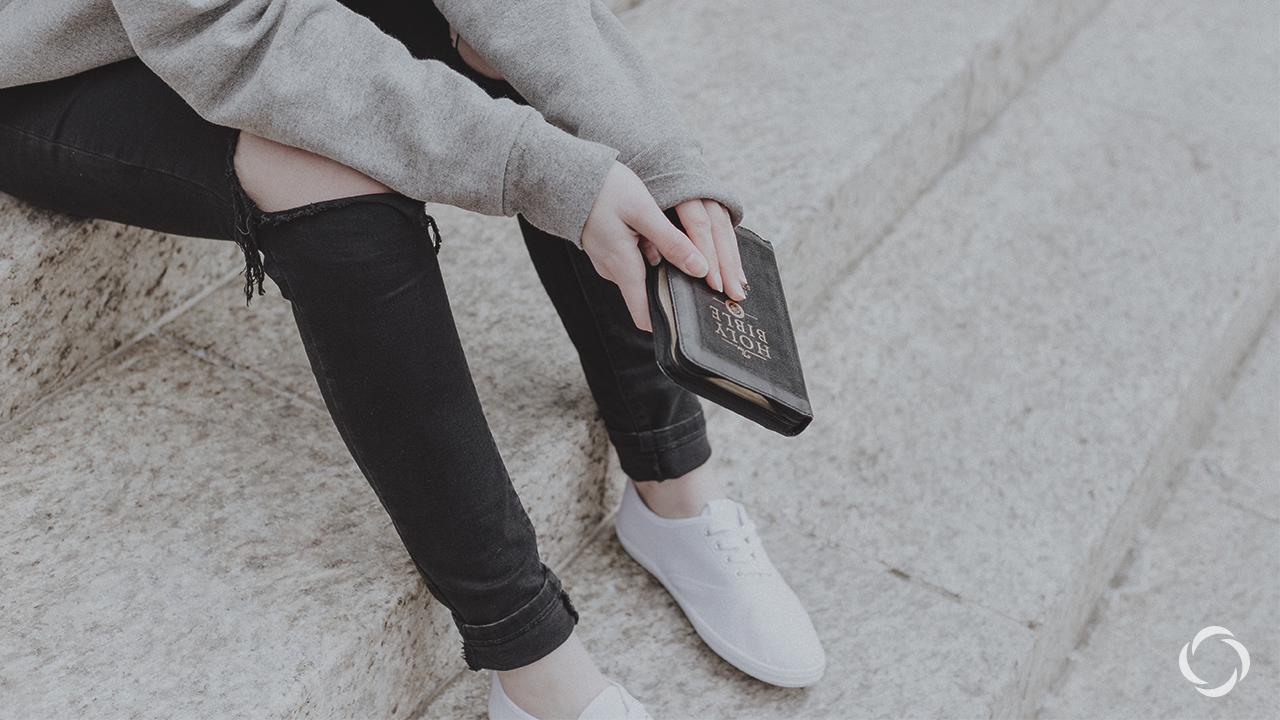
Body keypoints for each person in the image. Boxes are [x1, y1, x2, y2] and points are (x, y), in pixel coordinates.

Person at [0, 1, 824, 717]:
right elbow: (230, 31)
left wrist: (658, 157)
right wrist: (544, 172)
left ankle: (675, 486)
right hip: (53, 52)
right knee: (324, 170)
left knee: (516, 51)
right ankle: (529, 657)